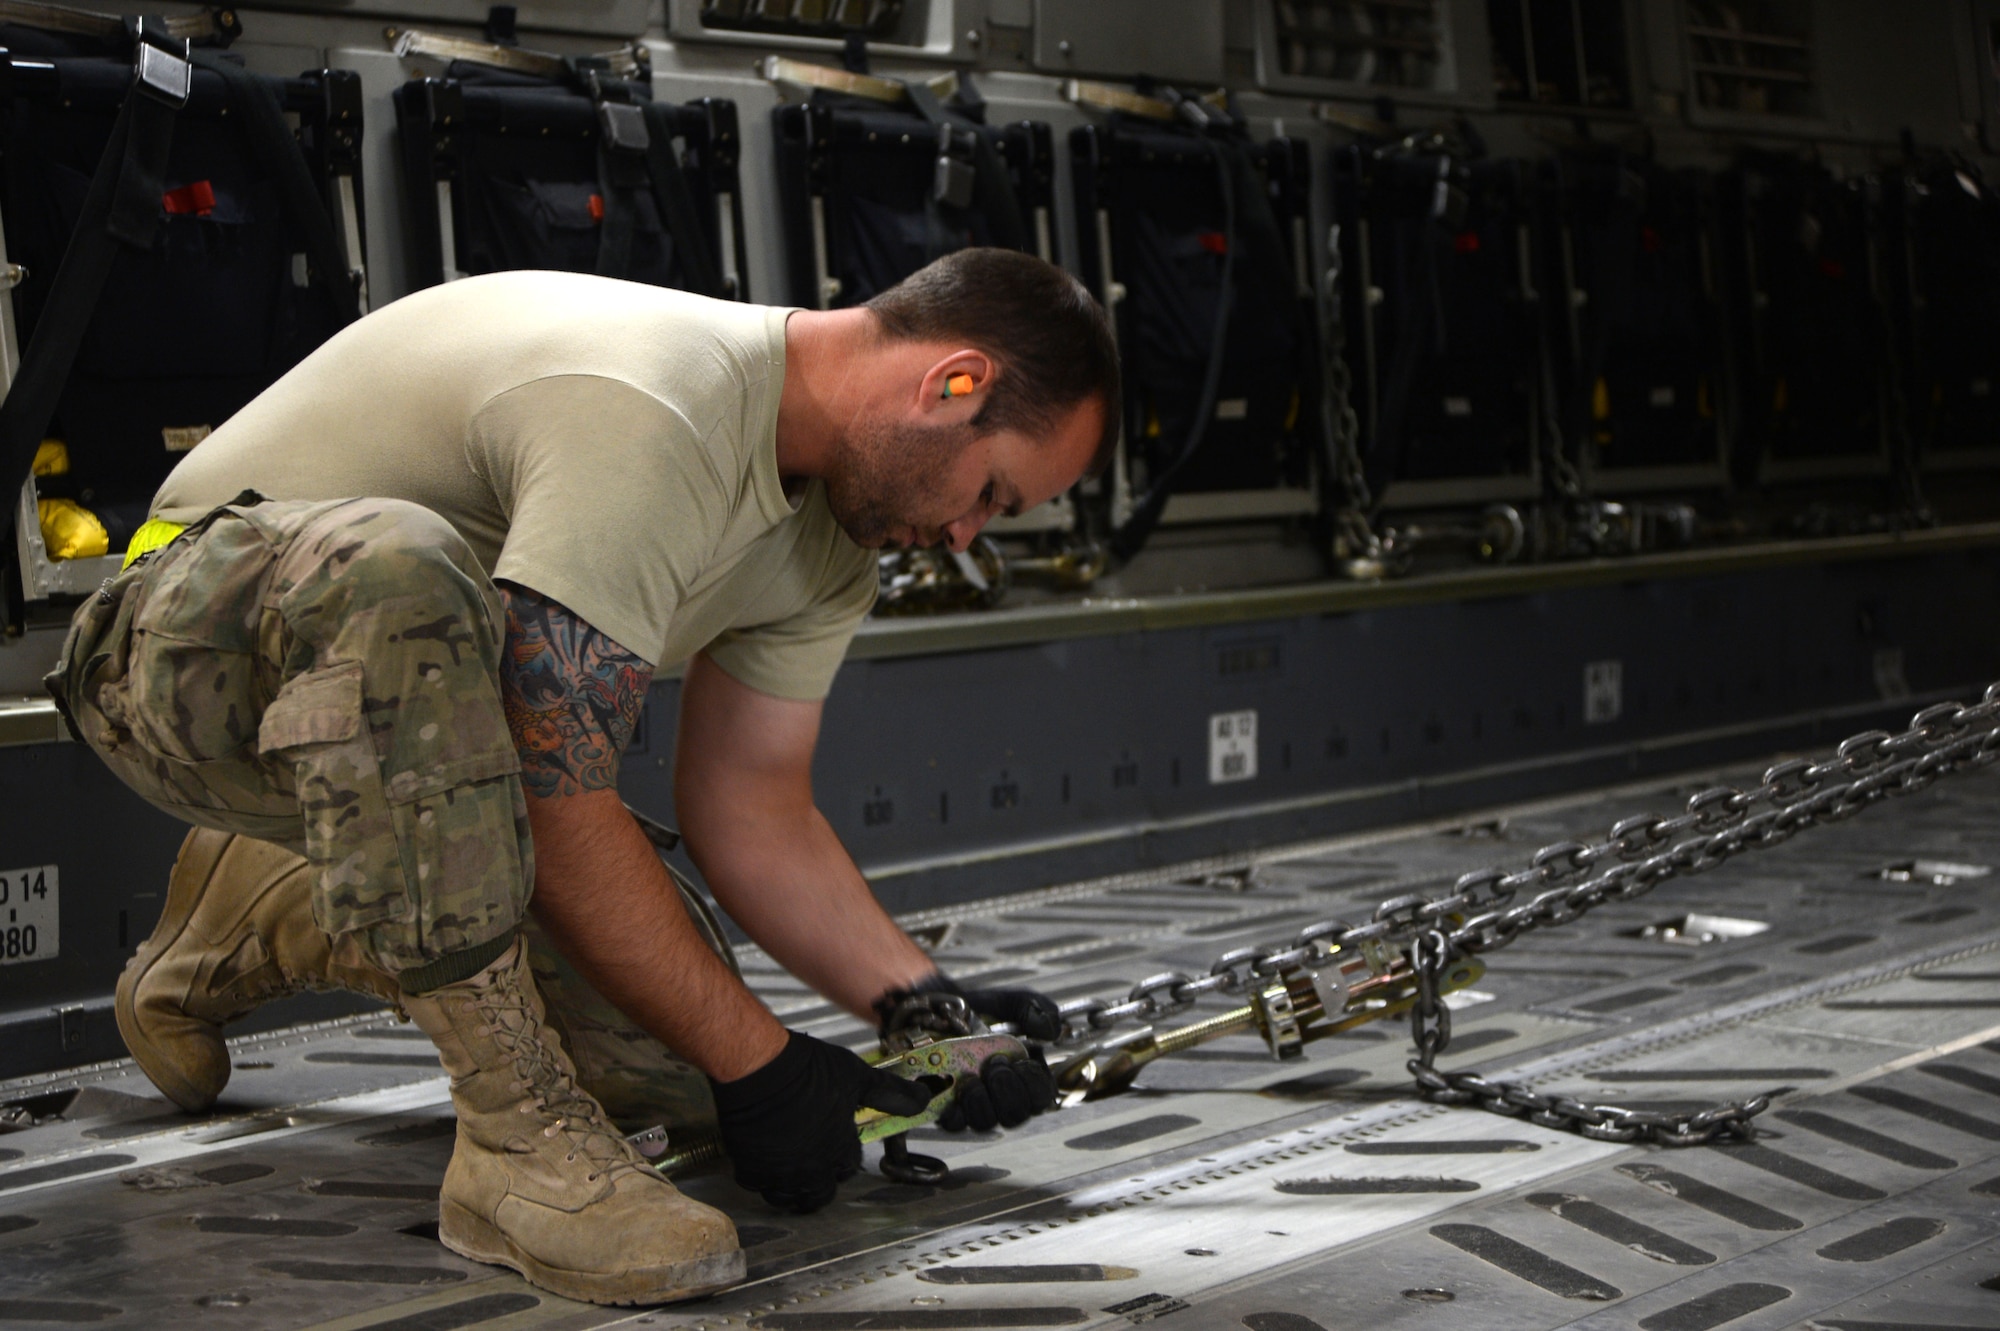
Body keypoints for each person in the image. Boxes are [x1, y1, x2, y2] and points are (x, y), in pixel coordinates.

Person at [46, 247, 1120, 1307]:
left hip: (389, 747)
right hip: (175, 649)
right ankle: (516, 1150)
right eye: (990, 493)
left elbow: (754, 806)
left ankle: (268, 903)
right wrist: (770, 1062)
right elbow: (553, 800)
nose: (963, 534)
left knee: (681, 1076)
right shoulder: (664, 406)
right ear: (954, 381)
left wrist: (918, 1002)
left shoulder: (833, 542)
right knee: (406, 568)